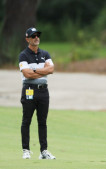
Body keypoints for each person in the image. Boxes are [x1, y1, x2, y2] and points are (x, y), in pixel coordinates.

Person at [19, 27, 56, 159]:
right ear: (27, 39)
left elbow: (51, 69)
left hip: (43, 91)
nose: (36, 38)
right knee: (26, 120)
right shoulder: (23, 55)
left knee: (42, 122)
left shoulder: (45, 54)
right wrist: (42, 70)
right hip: (29, 90)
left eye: (37, 35)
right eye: (33, 36)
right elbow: (26, 74)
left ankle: (43, 151)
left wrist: (33, 71)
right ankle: (26, 150)